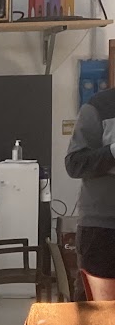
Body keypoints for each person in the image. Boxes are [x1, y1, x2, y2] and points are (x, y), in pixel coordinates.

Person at [65, 84, 115, 299]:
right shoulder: (100, 106)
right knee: (93, 309)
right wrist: (111, 152)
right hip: (104, 229)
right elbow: (75, 164)